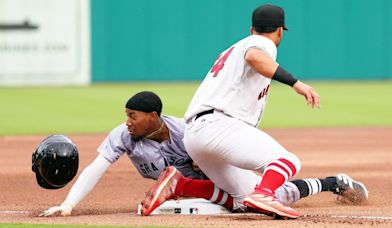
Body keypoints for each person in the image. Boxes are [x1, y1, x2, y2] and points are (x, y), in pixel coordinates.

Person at [39, 91, 367, 217]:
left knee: (262, 199)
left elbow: (226, 147)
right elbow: (98, 166)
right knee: (204, 206)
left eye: (132, 116)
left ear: (153, 117)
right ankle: (178, 188)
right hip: (204, 188)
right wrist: (68, 205)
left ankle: (332, 181)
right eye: (125, 115)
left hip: (218, 176)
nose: (127, 122)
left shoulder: (187, 131)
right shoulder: (124, 137)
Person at [181, 4, 322, 219]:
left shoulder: (234, 48)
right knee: (287, 161)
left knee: (244, 198)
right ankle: (264, 194)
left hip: (195, 136)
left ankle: (181, 186)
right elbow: (255, 57)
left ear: (251, 28)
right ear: (280, 31)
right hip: (218, 125)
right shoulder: (261, 43)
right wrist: (295, 83)